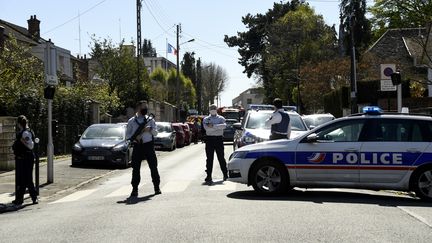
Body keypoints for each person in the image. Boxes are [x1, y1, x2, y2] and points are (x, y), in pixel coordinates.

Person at [126, 101, 161, 197]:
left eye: (146, 107)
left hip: (148, 145)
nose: (145, 109)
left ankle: (157, 187)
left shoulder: (150, 120)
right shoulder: (132, 121)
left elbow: (156, 133)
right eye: (143, 107)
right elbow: (127, 135)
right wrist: (134, 138)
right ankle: (135, 189)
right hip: (137, 146)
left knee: (153, 166)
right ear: (138, 108)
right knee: (136, 168)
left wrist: (149, 130)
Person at [12, 115, 38, 205]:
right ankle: (20, 199)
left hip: (26, 158)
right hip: (23, 158)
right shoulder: (26, 131)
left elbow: (30, 145)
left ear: (19, 124)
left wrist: (22, 141)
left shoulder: (25, 133)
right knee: (22, 179)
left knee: (27, 178)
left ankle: (34, 197)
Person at [203, 104, 228, 184]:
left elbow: (224, 126)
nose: (213, 109)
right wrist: (217, 127)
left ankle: (225, 174)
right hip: (209, 140)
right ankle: (209, 176)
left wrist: (213, 126)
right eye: (211, 108)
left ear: (216, 109)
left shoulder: (221, 118)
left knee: (221, 158)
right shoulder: (206, 119)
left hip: (219, 139)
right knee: (209, 159)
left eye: (214, 108)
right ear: (209, 110)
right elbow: (207, 129)